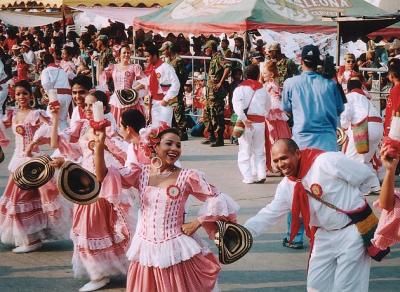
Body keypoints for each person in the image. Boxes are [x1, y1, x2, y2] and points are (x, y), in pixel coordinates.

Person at [94, 123, 238, 292]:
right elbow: (103, 176)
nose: (175, 148)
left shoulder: (188, 176)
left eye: (178, 145)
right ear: (154, 146)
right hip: (145, 248)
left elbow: (217, 198)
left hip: (174, 249)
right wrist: (98, 146)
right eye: (169, 143)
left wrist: (197, 222)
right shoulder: (141, 173)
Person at [245, 138, 377, 292]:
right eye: (276, 161)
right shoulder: (287, 186)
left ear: (297, 153)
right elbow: (269, 213)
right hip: (322, 236)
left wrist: (354, 199)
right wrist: (243, 232)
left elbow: (366, 177)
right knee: (316, 287)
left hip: (352, 231)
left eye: (284, 158)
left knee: (347, 288)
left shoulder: (326, 161)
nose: (281, 164)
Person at [49, 90, 131, 292]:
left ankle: (99, 274)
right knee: (87, 228)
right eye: (85, 105)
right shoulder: (85, 126)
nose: (86, 108)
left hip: (98, 187)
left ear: (102, 108)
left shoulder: (108, 131)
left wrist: (103, 145)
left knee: (91, 229)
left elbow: (123, 156)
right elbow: (62, 146)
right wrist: (54, 117)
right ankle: (100, 271)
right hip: (82, 184)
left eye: (91, 105)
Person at [282, 45, 345, 249]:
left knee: (298, 189)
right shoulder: (330, 84)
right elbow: (339, 109)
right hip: (327, 142)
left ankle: (296, 236)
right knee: (330, 190)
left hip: (301, 143)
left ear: (301, 60)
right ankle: (330, 233)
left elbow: (287, 109)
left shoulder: (291, 82)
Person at [0, 80, 70, 253]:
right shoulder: (12, 114)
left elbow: (52, 127)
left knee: (21, 199)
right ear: (13, 96)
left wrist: (35, 141)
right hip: (16, 162)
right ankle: (30, 238)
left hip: (33, 163)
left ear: (31, 96)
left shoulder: (36, 114)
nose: (21, 97)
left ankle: (32, 241)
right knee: (19, 200)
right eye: (18, 94)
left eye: (24, 93)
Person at [340, 75, 383, 192]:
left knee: (350, 159)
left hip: (364, 127)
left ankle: (363, 187)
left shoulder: (349, 96)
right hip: (378, 127)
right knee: (364, 159)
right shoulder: (366, 97)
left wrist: (343, 126)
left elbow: (345, 115)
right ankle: (372, 186)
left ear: (348, 88)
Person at [232, 64, 271, 184]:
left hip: (246, 123)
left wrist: (244, 119)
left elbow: (237, 106)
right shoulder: (263, 89)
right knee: (259, 150)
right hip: (260, 122)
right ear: (258, 75)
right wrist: (261, 115)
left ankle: (248, 177)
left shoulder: (239, 89)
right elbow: (268, 107)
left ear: (245, 75)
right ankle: (261, 174)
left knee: (245, 150)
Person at [136, 45, 180, 126]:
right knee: (155, 129)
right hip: (154, 102)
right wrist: (135, 89)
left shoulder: (166, 67)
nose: (146, 58)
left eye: (147, 56)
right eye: (145, 56)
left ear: (155, 55)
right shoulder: (151, 68)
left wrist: (166, 99)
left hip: (164, 102)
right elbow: (148, 82)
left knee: (164, 128)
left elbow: (176, 84)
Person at [263, 60, 291, 176]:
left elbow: (274, 100)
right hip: (274, 113)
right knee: (276, 137)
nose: (263, 75)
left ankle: (274, 166)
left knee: (272, 138)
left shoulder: (270, 85)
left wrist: (269, 110)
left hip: (272, 113)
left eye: (265, 73)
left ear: (271, 74)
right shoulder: (273, 84)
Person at [104, 45, 145, 124]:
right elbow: (103, 78)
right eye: (124, 53)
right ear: (119, 55)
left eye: (128, 53)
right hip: (117, 98)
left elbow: (145, 80)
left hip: (130, 99)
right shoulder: (113, 67)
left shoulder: (134, 67)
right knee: (117, 121)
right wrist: (107, 90)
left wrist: (134, 89)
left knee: (130, 123)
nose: (126, 55)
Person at [203, 40, 231, 147]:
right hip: (210, 92)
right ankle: (211, 136)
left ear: (211, 48)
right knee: (208, 113)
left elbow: (228, 66)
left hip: (215, 92)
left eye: (207, 48)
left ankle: (220, 139)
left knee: (217, 113)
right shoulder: (213, 58)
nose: (205, 50)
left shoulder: (218, 57)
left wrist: (220, 82)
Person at [160, 42, 189, 140]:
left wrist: (179, 87)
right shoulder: (168, 61)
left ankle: (182, 131)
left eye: (164, 50)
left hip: (177, 89)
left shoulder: (178, 60)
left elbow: (183, 76)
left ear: (169, 49)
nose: (163, 52)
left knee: (178, 109)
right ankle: (175, 130)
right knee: (172, 109)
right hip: (169, 89)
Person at [40, 53, 72, 131]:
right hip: (67, 96)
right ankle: (66, 138)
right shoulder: (62, 70)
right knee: (62, 119)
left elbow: (46, 85)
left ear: (44, 62)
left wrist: (46, 95)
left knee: (51, 119)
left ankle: (54, 139)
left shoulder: (46, 71)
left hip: (55, 96)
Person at [384, 59, 400, 136]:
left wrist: (391, 125)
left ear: (392, 75)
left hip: (393, 127)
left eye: (388, 73)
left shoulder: (395, 89)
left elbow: (395, 109)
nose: (387, 76)